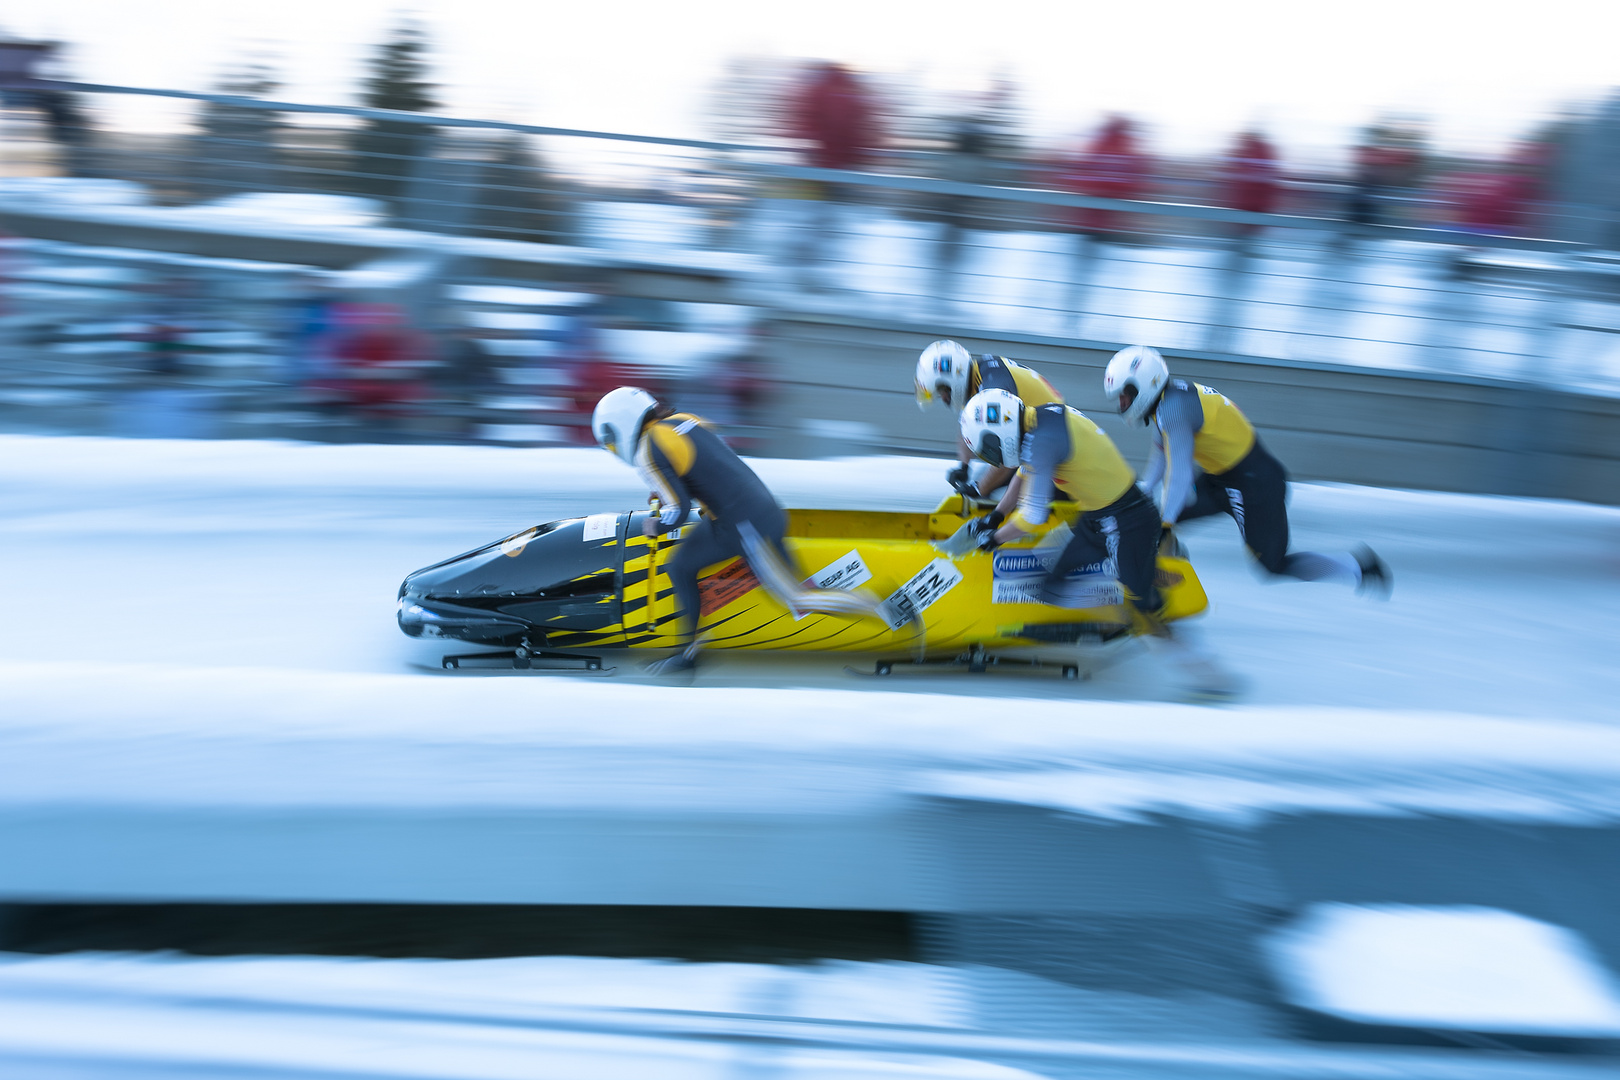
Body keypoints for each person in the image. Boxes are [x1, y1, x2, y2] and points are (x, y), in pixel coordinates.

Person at [592, 387, 881, 675]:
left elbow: (678, 511)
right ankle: (688, 652)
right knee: (680, 565)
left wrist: (656, 525)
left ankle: (877, 606)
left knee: (797, 598)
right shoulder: (682, 420)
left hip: (747, 526)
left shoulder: (647, 449)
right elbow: (705, 467)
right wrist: (667, 490)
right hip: (753, 512)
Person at [1102, 345, 1391, 596]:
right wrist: (1144, 495)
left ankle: (1358, 568)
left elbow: (1179, 475)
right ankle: (1161, 574)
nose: (1122, 404)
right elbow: (1161, 456)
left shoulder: (1174, 410)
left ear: (1145, 384)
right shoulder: (1167, 404)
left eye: (1124, 395)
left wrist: (1165, 524)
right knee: (1157, 518)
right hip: (1223, 479)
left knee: (1273, 566)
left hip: (1255, 486)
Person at [950, 387, 1163, 620]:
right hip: (1097, 518)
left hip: (1127, 520)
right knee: (1051, 583)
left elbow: (1033, 515)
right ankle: (1101, 618)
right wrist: (997, 515)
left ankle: (1140, 611)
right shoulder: (1037, 422)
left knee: (1139, 598)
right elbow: (1023, 475)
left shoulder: (1041, 441)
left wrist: (995, 539)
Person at [914, 339, 1063, 501]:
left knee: (994, 496)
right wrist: (964, 466)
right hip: (1048, 434)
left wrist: (979, 489)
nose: (943, 398)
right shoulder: (979, 375)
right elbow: (966, 424)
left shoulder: (991, 389)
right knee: (985, 485)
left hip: (1056, 447)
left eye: (942, 390)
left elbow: (1008, 452)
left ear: (954, 378)